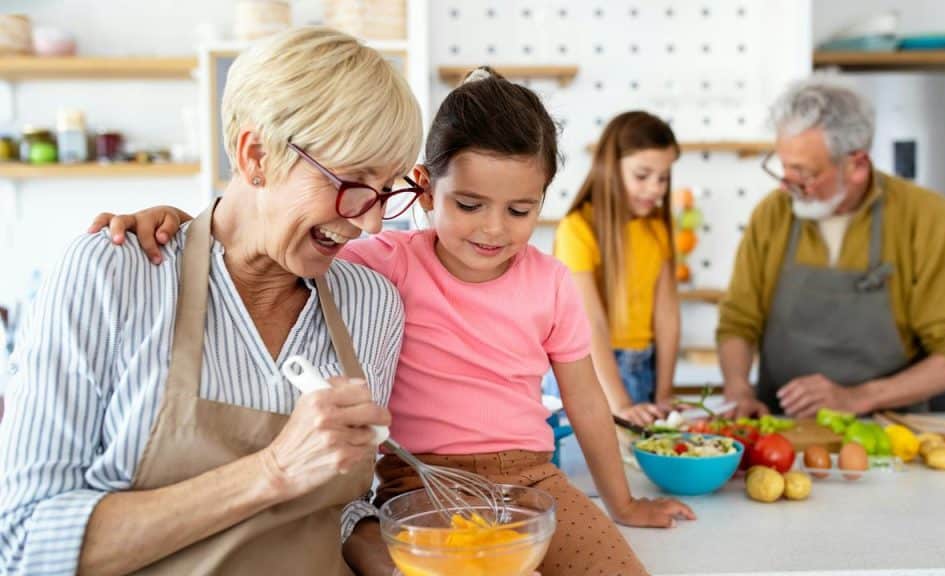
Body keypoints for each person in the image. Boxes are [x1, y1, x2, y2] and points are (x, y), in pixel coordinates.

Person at [89, 67, 695, 576]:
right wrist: (177, 220)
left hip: (531, 480)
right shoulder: (382, 262)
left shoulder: (552, 280)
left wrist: (623, 502)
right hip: (413, 486)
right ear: (426, 191)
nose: (493, 229)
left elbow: (585, 400)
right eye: (469, 204)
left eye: (520, 210)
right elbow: (270, 235)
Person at [0, 27, 422, 575]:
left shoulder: (372, 304)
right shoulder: (114, 276)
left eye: (388, 189)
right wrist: (271, 471)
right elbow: (24, 543)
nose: (368, 221)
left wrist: (411, 567)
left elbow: (339, 511)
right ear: (256, 155)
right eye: (354, 182)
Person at [718, 78, 945, 418]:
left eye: (803, 173)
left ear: (857, 165)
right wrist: (738, 390)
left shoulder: (926, 217)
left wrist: (858, 397)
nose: (787, 185)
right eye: (782, 166)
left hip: (891, 435)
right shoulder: (773, 214)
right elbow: (737, 323)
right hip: (782, 431)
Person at [544, 111, 681, 427]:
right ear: (610, 167)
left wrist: (663, 397)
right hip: (590, 373)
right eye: (642, 175)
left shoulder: (657, 230)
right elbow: (590, 323)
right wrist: (619, 402)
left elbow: (668, 318)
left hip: (643, 370)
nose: (655, 188)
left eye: (663, 177)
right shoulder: (578, 229)